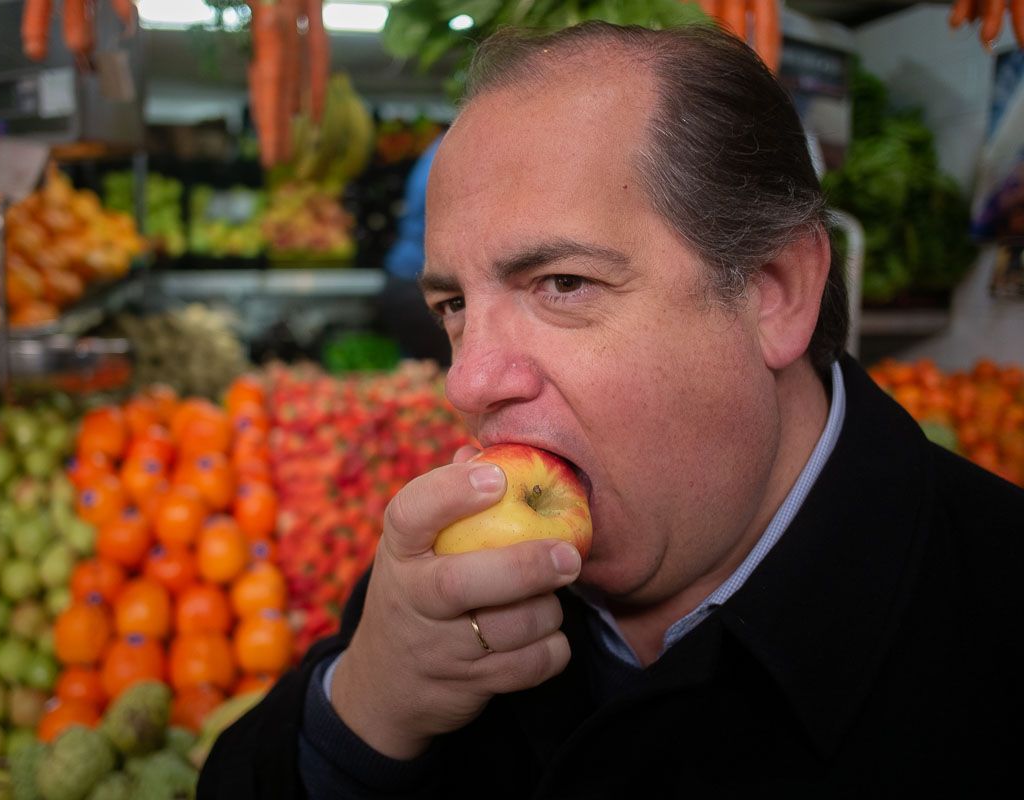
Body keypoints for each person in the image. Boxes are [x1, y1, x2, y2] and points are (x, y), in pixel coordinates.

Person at [198, 21, 1024, 798]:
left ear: (775, 293)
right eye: (452, 305)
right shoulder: (445, 584)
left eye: (563, 284)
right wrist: (366, 706)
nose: (467, 383)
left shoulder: (994, 608)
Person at [377, 135, 451, 365]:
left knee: (427, 370)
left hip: (404, 279)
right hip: (416, 286)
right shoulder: (459, 155)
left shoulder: (442, 147)